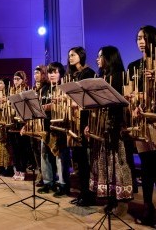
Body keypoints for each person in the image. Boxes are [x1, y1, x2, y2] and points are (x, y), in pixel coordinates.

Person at [127, 25, 156, 228]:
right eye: (138, 38)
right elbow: (131, 92)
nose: (140, 41)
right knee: (146, 168)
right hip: (141, 119)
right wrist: (134, 103)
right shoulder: (133, 66)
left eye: (144, 38)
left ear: (153, 39)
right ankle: (147, 207)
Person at [86, 46, 133, 216]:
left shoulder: (120, 77)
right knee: (104, 165)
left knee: (118, 164)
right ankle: (111, 200)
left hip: (116, 126)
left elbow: (123, 104)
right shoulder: (101, 78)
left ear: (109, 57)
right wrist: (90, 125)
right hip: (101, 126)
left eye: (100, 56)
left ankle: (122, 202)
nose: (97, 59)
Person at [64, 46, 97, 206]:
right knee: (77, 160)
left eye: (73, 55)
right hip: (74, 120)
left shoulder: (88, 73)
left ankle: (89, 195)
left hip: (85, 120)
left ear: (81, 56)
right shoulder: (72, 75)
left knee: (85, 161)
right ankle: (83, 193)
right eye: (69, 55)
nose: (70, 57)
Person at [37, 62, 71, 197]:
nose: (52, 75)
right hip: (45, 126)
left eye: (55, 72)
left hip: (60, 127)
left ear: (61, 74)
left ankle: (63, 184)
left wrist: (53, 106)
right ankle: (48, 182)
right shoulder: (44, 89)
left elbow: (67, 107)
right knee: (44, 155)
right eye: (50, 72)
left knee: (60, 157)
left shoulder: (64, 88)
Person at [8, 70, 31, 181]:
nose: (15, 81)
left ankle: (22, 170)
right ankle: (16, 169)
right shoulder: (12, 91)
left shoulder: (25, 91)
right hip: (13, 122)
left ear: (23, 80)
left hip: (22, 122)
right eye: (14, 79)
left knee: (22, 148)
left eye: (18, 79)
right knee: (15, 149)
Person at [0, 77, 14, 176]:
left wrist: (6, 101)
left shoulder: (9, 95)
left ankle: (8, 167)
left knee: (6, 146)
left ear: (5, 85)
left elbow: (11, 110)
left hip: (6, 123)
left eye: (1, 83)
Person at [32, 65, 50, 186]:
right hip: (34, 123)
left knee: (43, 150)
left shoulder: (47, 88)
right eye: (34, 73)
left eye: (38, 73)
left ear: (43, 74)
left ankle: (46, 176)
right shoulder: (34, 88)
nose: (36, 75)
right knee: (35, 149)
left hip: (44, 123)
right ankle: (40, 172)